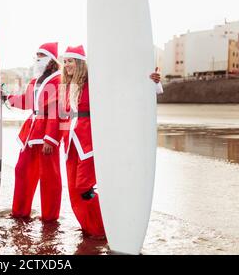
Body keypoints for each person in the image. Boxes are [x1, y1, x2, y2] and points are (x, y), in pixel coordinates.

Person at [60, 45, 162, 237]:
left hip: (89, 142)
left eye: (70, 61)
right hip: (70, 144)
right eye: (64, 62)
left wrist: (150, 82)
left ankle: (106, 228)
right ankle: (89, 229)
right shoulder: (66, 86)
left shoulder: (94, 81)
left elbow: (121, 89)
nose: (66, 65)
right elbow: (62, 116)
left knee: (84, 187)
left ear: (80, 62)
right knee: (74, 193)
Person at [3, 42, 63, 222]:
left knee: (49, 178)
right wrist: (8, 98)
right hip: (32, 131)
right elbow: (28, 102)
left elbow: (57, 110)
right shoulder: (35, 81)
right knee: (22, 170)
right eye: (36, 56)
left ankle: (50, 218)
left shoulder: (59, 80)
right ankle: (20, 213)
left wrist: (50, 139)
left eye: (41, 56)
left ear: (51, 59)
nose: (37, 59)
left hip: (47, 134)